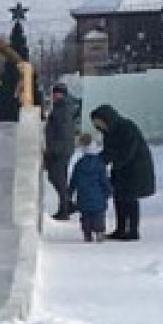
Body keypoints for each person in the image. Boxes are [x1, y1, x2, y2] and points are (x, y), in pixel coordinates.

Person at [90, 105, 156, 241]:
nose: (98, 126)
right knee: (119, 197)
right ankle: (120, 229)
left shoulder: (127, 127)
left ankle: (132, 231)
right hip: (121, 169)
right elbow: (109, 151)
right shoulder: (108, 132)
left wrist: (112, 162)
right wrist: (98, 161)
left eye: (99, 122)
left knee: (130, 198)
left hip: (136, 169)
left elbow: (128, 151)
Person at [43, 83, 80, 219]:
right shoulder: (62, 108)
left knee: (58, 179)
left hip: (59, 151)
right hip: (62, 149)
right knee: (60, 179)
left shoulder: (62, 110)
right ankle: (67, 205)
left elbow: (63, 132)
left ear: (61, 94)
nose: (53, 96)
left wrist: (53, 150)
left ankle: (64, 209)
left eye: (55, 93)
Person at [68, 132, 113, 243]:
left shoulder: (79, 164)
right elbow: (104, 180)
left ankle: (87, 234)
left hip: (83, 196)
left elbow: (74, 180)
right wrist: (108, 191)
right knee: (98, 216)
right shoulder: (100, 164)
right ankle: (99, 232)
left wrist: (70, 192)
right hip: (98, 197)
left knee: (85, 216)